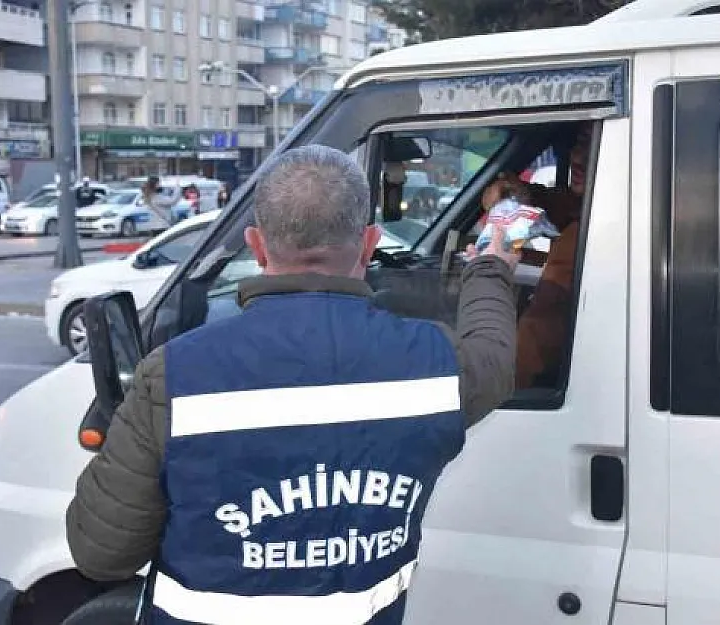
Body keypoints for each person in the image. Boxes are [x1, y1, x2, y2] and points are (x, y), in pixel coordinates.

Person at [66, 145, 519, 625]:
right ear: (368, 245)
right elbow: (494, 356)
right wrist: (491, 266)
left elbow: (101, 554)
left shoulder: (174, 374)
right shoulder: (435, 364)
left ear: (257, 246)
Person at [480, 122, 592, 389]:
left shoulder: (585, 235)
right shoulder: (593, 207)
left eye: (591, 144)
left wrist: (487, 390)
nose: (577, 157)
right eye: (579, 143)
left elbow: (534, 345)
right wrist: (523, 194)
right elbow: (568, 204)